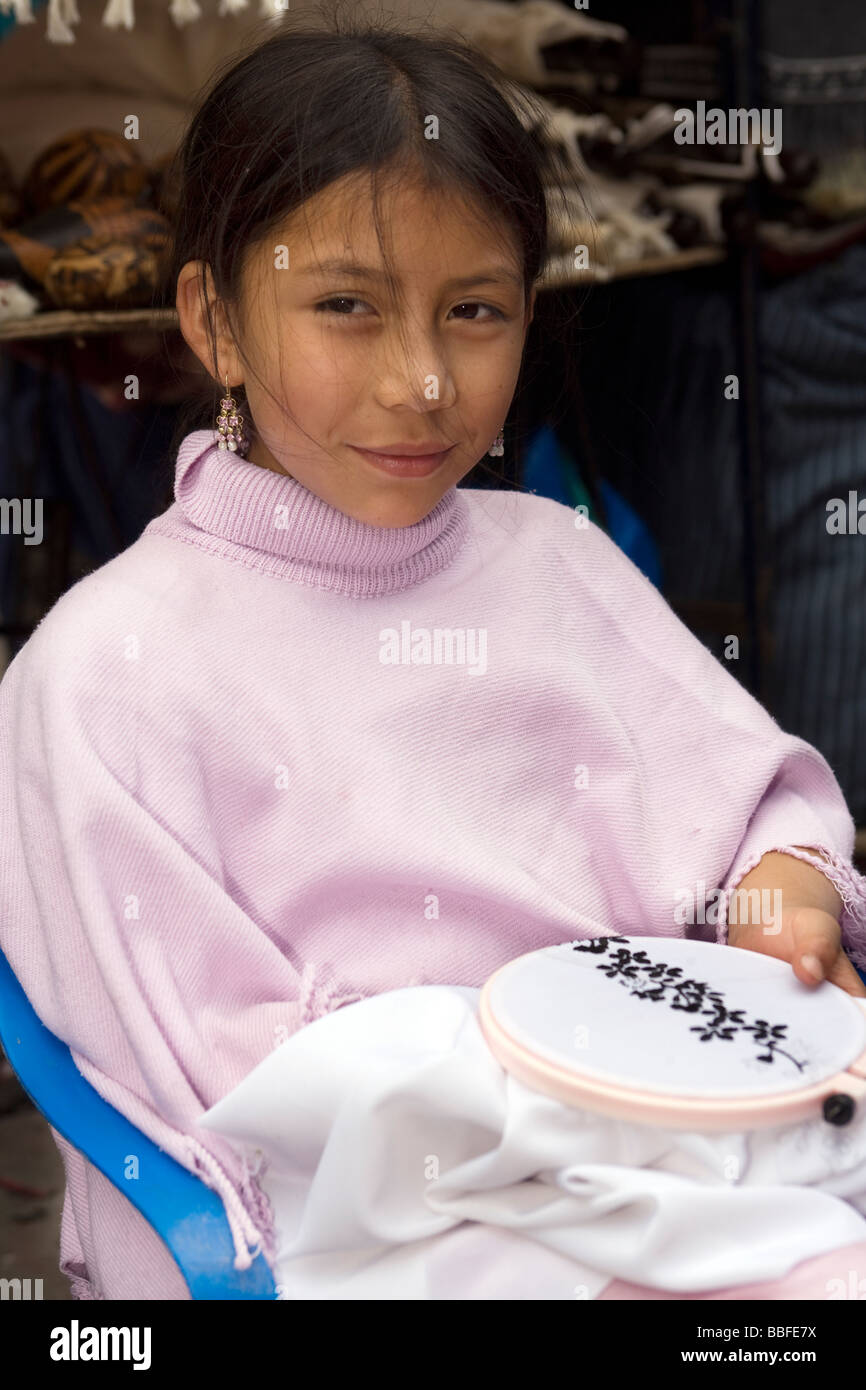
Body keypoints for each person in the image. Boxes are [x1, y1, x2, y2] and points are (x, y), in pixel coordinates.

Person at [1, 14, 865, 1302]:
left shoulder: (558, 564)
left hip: (672, 1152)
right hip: (378, 1227)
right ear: (215, 320)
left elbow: (750, 802)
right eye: (345, 306)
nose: (420, 381)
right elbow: (238, 1097)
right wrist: (571, 1097)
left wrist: (783, 890)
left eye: (474, 311)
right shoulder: (101, 673)